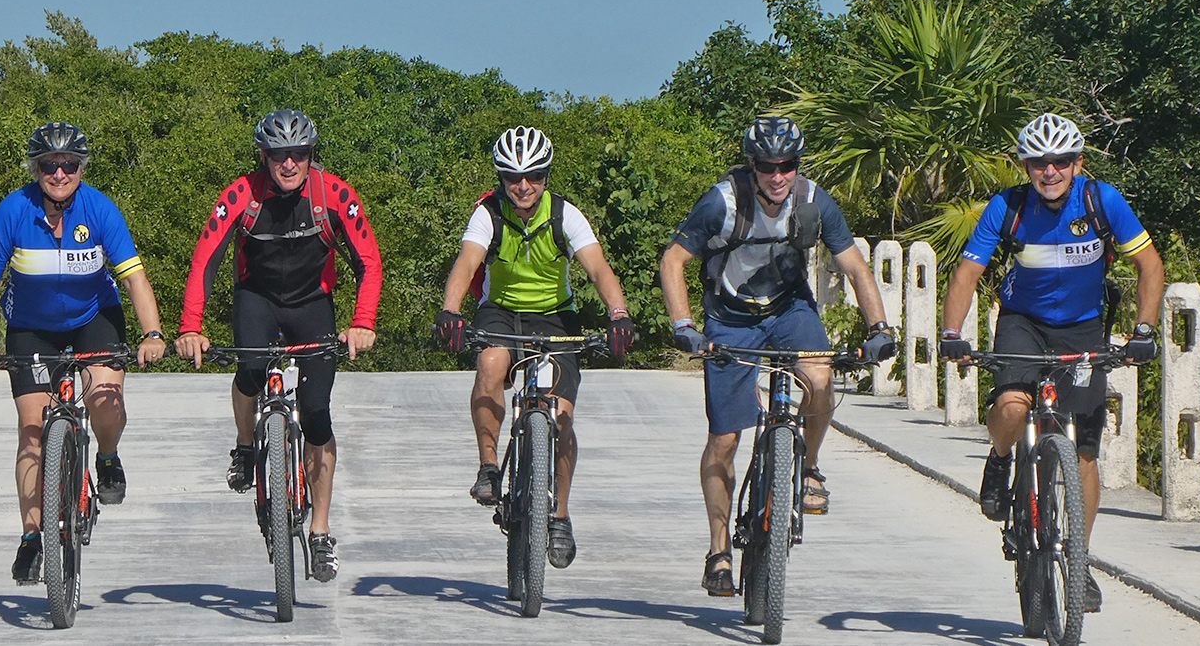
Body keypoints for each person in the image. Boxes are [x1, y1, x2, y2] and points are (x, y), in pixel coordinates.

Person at [658, 116, 895, 597]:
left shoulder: (812, 200)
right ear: (752, 165)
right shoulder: (722, 202)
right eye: (768, 166)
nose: (778, 175)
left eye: (788, 165)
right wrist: (685, 326)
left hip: (789, 309)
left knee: (820, 377)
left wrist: (880, 329)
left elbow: (855, 266)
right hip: (730, 317)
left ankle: (809, 469)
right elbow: (673, 261)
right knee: (724, 440)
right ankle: (719, 551)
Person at [938, 112, 1162, 614]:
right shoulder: (1008, 207)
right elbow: (967, 273)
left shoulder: (1102, 201)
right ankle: (1001, 457)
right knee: (1013, 407)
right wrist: (952, 333)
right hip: (1024, 322)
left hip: (1083, 326)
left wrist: (1144, 331)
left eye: (1061, 161)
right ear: (1026, 167)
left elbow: (1149, 264)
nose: (1051, 171)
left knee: (1083, 451)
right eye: (1040, 163)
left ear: (1077, 164)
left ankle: (1078, 561)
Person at [173, 109, 383, 584]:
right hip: (258, 299)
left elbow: (369, 262)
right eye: (278, 155)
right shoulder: (241, 195)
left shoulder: (335, 195)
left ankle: (321, 531)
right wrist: (190, 326)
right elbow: (206, 258)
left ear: (311, 155)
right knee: (250, 372)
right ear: (263, 157)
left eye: (299, 154)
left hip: (312, 303)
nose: (289, 164)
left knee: (317, 414)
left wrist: (362, 322)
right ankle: (246, 445)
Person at [0, 122, 168, 585]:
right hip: (31, 327)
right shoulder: (14, 210)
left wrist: (153, 333)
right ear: (36, 168)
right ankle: (31, 537)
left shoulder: (99, 209)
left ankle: (108, 458)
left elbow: (134, 278)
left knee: (106, 402)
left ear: (81, 168)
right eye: (49, 165)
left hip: (94, 318)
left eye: (69, 165)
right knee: (31, 431)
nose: (59, 173)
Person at [431, 126, 636, 570]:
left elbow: (598, 268)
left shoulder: (565, 215)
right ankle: (489, 467)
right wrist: (451, 311)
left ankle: (560, 515)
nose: (523, 186)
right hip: (500, 312)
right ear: (501, 178)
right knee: (490, 363)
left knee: (562, 416)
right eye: (513, 177)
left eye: (534, 176)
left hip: (555, 316)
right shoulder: (488, 214)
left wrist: (618, 314)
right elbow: (467, 262)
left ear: (546, 176)